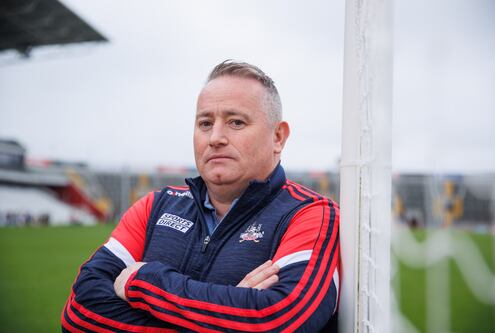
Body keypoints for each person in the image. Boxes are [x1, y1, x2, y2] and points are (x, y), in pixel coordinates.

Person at [62, 60, 340, 332]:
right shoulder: (154, 208)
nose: (215, 137)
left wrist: (144, 281)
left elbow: (279, 321)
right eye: (205, 123)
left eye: (236, 122)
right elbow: (79, 315)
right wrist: (230, 314)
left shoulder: (310, 214)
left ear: (278, 137)